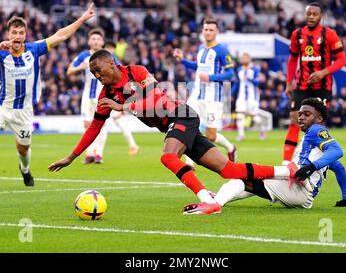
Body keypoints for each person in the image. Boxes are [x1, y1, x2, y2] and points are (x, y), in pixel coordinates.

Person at [48, 50, 298, 215]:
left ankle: (208, 200)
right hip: (174, 124)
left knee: (168, 157)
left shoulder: (137, 72)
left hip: (182, 116)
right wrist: (71, 156)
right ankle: (286, 170)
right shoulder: (106, 95)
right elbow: (94, 127)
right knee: (228, 170)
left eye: (98, 69)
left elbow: (154, 100)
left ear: (111, 63)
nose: (96, 75)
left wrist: (122, 106)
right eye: (93, 73)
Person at [0, 3, 96, 190]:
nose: (17, 36)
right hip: (1, 106)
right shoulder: (0, 52)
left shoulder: (34, 50)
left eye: (21, 33)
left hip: (23, 111)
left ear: (25, 35)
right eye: (14, 32)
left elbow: (61, 35)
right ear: (8, 34)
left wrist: (82, 19)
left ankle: (25, 170)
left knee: (23, 149)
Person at [213, 98, 346, 209]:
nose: (301, 117)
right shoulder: (316, 143)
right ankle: (217, 197)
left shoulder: (315, 130)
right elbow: (339, 168)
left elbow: (337, 150)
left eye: (307, 114)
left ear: (319, 119)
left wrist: (311, 167)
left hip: (299, 189)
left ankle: (213, 205)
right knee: (255, 184)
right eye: (300, 114)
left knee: (244, 180)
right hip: (302, 191)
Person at [283, 2, 346, 165]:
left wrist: (324, 72)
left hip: (323, 87)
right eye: (308, 13)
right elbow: (292, 59)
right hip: (302, 85)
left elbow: (341, 60)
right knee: (294, 119)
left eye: (314, 14)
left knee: (318, 123)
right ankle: (285, 163)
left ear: (321, 16)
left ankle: (320, 161)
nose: (311, 16)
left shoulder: (329, 34)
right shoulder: (297, 35)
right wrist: (289, 83)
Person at [67, 33, 139, 164]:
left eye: (98, 39)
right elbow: (69, 71)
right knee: (87, 125)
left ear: (102, 42)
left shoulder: (107, 57)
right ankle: (89, 154)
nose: (95, 41)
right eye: (93, 39)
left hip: (104, 95)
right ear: (89, 41)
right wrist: (80, 67)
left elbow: (120, 72)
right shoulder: (84, 56)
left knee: (102, 125)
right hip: (88, 96)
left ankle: (98, 154)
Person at [173, 18, 237, 163]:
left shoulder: (221, 50)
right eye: (206, 29)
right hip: (196, 94)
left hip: (213, 98)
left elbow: (230, 74)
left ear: (217, 32)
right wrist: (182, 60)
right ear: (202, 31)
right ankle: (189, 163)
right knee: (187, 124)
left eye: (211, 30)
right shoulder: (201, 48)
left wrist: (210, 77)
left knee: (211, 136)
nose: (208, 32)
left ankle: (230, 147)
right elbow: (198, 66)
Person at [232, 52, 265, 141]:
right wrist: (232, 94)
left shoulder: (255, 69)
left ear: (249, 59)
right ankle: (241, 135)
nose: (244, 59)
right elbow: (237, 83)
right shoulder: (239, 70)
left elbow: (259, 82)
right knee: (240, 115)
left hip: (252, 97)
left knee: (255, 117)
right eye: (243, 58)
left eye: (246, 58)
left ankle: (262, 130)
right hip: (241, 96)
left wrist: (250, 79)